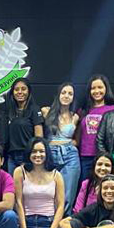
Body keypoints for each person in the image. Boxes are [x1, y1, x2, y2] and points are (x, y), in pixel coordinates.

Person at [14, 138, 64, 228]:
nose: (38, 155)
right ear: (28, 153)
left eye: (41, 151)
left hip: (48, 224)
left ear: (47, 153)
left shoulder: (56, 175)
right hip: (27, 223)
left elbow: (60, 206)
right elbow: (18, 202)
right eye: (34, 151)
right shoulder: (20, 172)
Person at [41, 82, 81, 215]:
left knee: (68, 193)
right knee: (49, 191)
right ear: (58, 94)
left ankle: (63, 223)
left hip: (70, 155)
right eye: (64, 93)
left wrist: (70, 143)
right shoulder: (46, 111)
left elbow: (76, 140)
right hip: (50, 153)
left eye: (70, 94)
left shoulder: (75, 116)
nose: (66, 96)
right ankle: (49, 221)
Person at [75, 74, 114, 181]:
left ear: (106, 89)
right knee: (86, 186)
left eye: (100, 87)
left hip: (105, 156)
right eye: (93, 88)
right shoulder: (83, 110)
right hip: (85, 156)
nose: (96, 91)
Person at [5, 77, 43, 172]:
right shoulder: (9, 111)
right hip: (11, 157)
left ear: (28, 91)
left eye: (23, 89)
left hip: (27, 156)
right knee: (12, 182)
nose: (20, 92)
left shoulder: (34, 109)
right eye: (16, 89)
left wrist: (32, 155)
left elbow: (39, 137)